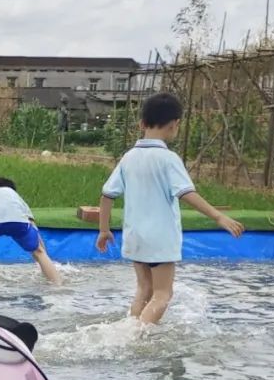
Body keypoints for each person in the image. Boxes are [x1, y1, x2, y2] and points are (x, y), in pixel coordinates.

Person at [97, 91, 244, 323]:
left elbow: (107, 195)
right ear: (175, 125)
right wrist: (218, 217)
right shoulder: (168, 159)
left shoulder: (128, 157)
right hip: (160, 239)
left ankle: (130, 328)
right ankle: (136, 338)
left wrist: (104, 230)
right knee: (163, 294)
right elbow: (186, 193)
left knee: (144, 290)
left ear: (141, 123)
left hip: (135, 236)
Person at [0, 176, 61, 283]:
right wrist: (41, 251)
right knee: (39, 252)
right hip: (17, 220)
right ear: (13, 189)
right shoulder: (15, 197)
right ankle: (57, 284)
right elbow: (32, 224)